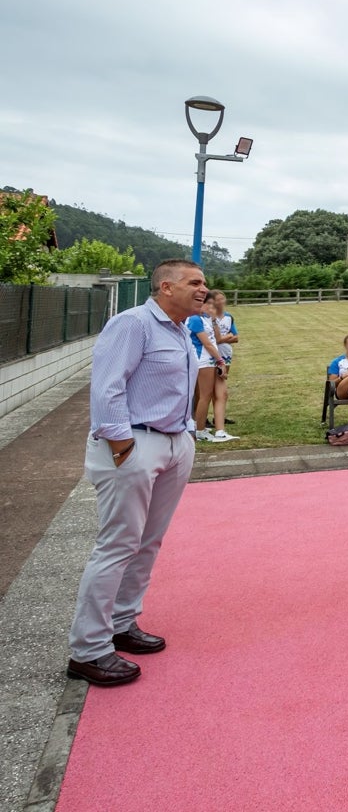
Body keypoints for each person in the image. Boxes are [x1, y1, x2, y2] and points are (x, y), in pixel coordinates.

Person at [66, 258, 205, 686]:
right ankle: (88, 650)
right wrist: (122, 443)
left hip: (172, 442)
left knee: (148, 541)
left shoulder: (181, 330)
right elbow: (107, 385)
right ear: (166, 287)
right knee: (118, 544)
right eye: (194, 282)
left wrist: (186, 437)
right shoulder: (133, 324)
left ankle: (122, 623)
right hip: (134, 445)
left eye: (204, 283)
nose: (203, 289)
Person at [188, 294, 236, 442]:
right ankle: (200, 431)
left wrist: (214, 320)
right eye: (207, 305)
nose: (211, 308)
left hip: (209, 360)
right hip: (202, 360)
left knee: (206, 396)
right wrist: (220, 360)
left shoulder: (205, 319)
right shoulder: (195, 319)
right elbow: (207, 344)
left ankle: (200, 427)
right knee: (204, 396)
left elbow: (216, 339)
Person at [210, 290, 238, 428]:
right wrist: (226, 337)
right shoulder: (210, 317)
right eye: (218, 299)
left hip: (226, 354)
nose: (221, 302)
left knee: (221, 383)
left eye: (223, 298)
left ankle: (219, 416)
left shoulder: (228, 317)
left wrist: (224, 338)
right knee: (210, 388)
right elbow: (215, 339)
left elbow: (236, 337)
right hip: (213, 356)